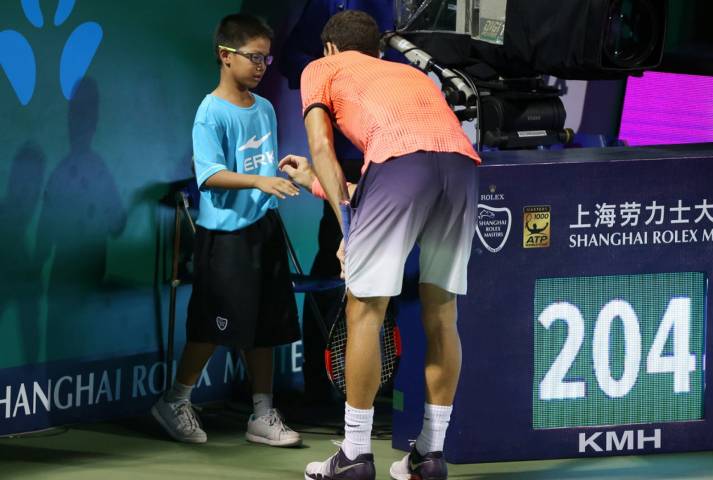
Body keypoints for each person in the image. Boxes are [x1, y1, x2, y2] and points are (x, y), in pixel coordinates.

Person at [280, 10, 481, 480]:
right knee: (441, 313)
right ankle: (429, 456)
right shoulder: (408, 75)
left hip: (399, 165)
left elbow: (325, 149)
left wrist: (348, 232)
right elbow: (395, 171)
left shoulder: (322, 68)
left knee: (364, 311)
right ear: (378, 50)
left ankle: (354, 454)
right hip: (461, 166)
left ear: (330, 48)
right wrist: (315, 184)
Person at [151, 13, 304, 447]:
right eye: (253, 57)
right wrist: (258, 180)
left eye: (266, 59)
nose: (261, 66)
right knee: (213, 325)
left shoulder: (267, 109)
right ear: (225, 56)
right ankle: (175, 400)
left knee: (266, 326)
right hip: (226, 237)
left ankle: (262, 413)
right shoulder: (210, 112)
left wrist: (278, 171)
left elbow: (258, 164)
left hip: (265, 229)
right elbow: (212, 174)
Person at [279, 0, 396, 406]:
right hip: (344, 153)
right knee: (335, 262)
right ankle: (320, 381)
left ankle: (387, 385)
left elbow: (398, 62)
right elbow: (290, 57)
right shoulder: (324, 10)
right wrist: (334, 77)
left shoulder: (389, 8)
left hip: (388, 151)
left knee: (391, 272)